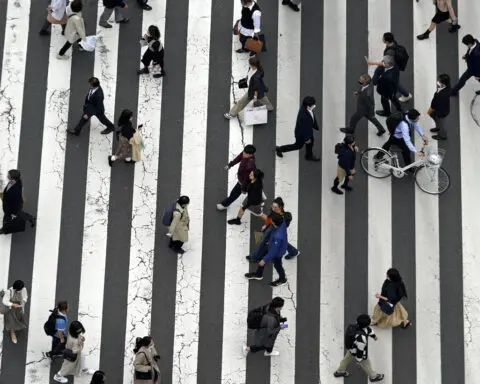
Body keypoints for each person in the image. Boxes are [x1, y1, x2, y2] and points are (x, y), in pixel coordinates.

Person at [333, 314, 384, 382]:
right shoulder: (361, 338)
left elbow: (368, 330)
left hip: (351, 349)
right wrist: (359, 359)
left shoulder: (355, 326)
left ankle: (340, 371)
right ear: (366, 325)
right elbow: (360, 349)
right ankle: (373, 377)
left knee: (346, 359)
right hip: (357, 352)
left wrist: (373, 336)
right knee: (366, 364)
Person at [247, 197, 299, 262]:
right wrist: (266, 225)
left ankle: (256, 257)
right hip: (272, 227)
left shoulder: (282, 217)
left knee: (264, 241)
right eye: (273, 206)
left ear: (280, 207)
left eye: (275, 207)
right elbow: (269, 217)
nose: (273, 208)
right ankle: (293, 252)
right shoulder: (274, 211)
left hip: (276, 230)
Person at [366, 32, 412, 103]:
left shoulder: (390, 51)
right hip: (390, 60)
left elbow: (387, 64)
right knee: (378, 70)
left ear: (386, 41)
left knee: (395, 84)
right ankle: (374, 82)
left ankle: (406, 95)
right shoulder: (393, 43)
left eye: (383, 38)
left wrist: (371, 63)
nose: (382, 39)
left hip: (392, 67)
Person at [245, 212, 288, 287]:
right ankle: (258, 274)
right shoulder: (282, 222)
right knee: (263, 257)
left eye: (272, 220)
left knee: (277, 265)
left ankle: (282, 279)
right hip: (272, 244)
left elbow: (273, 252)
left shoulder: (278, 236)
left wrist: (264, 260)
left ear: (274, 223)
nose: (270, 221)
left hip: (277, 252)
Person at [275, 96, 320, 161]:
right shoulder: (303, 116)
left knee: (310, 143)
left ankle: (309, 156)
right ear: (308, 106)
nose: (314, 106)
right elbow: (303, 129)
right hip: (302, 136)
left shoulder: (306, 109)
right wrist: (307, 139)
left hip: (309, 132)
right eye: (313, 105)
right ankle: (280, 149)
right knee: (297, 146)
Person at [217, 145, 256, 210]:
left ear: (250, 155)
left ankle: (224, 205)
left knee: (234, 194)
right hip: (243, 179)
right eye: (243, 151)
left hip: (242, 182)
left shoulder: (249, 165)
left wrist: (244, 188)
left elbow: (246, 179)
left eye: (245, 153)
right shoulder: (245, 154)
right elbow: (239, 158)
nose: (243, 153)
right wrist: (230, 165)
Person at [0, 169, 36, 234]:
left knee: (8, 217)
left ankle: (4, 229)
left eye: (9, 174)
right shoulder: (13, 182)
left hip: (12, 207)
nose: (7, 175)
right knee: (19, 214)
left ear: (12, 176)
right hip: (10, 206)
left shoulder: (16, 188)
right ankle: (30, 218)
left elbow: (17, 200)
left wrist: (11, 209)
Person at [0, 280, 28, 344]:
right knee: (11, 322)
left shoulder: (23, 289)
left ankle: (2, 293)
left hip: (18, 308)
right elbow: (5, 301)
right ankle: (12, 333)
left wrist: (23, 301)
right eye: (19, 290)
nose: (21, 291)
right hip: (10, 308)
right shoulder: (9, 291)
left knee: (18, 319)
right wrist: (12, 304)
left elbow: (25, 297)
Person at [428, 73, 451, 141]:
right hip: (436, 108)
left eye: (439, 81)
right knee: (432, 116)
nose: (438, 81)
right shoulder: (445, 87)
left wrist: (438, 114)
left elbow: (441, 106)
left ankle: (443, 136)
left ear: (443, 83)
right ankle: (438, 127)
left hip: (441, 112)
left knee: (441, 124)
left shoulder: (443, 95)